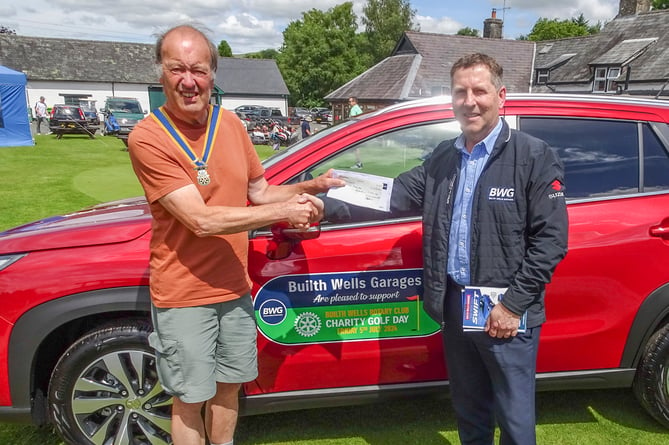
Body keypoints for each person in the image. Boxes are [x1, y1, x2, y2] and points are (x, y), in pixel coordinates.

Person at [325, 53, 568, 444]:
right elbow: (395, 193)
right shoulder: (444, 157)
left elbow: (551, 242)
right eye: (460, 92)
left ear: (501, 96)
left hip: (505, 310)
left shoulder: (533, 157)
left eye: (479, 91)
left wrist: (513, 305)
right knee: (469, 411)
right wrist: (326, 196)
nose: (469, 101)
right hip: (457, 307)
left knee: (515, 420)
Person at [128, 24, 343, 445]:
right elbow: (200, 220)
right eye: (177, 69)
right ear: (161, 74)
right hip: (184, 295)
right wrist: (286, 212)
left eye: (199, 70)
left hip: (234, 287)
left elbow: (260, 191)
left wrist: (310, 188)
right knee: (191, 397)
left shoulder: (232, 125)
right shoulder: (148, 137)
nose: (189, 81)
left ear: (212, 75)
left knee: (229, 388)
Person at [348, 97, 363, 168]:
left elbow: (353, 119)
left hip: (356, 130)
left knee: (356, 148)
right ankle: (358, 163)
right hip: (358, 130)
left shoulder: (354, 109)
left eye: (350, 101)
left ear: (354, 102)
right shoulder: (358, 108)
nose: (349, 103)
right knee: (355, 148)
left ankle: (359, 163)